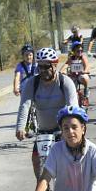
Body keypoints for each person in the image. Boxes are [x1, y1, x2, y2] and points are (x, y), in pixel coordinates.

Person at [16, 47, 79, 178]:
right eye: (40, 67)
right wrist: (20, 127)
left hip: (63, 129)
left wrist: (69, 130)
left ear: (55, 65)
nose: (43, 71)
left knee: (72, 157)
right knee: (36, 160)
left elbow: (72, 109)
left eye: (46, 67)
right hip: (43, 132)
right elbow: (24, 105)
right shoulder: (32, 83)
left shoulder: (65, 82)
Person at [60, 41, 91, 107]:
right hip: (73, 76)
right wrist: (61, 71)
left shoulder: (83, 57)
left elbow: (87, 66)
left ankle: (86, 94)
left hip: (81, 75)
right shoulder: (71, 58)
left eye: (81, 49)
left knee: (84, 78)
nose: (80, 50)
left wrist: (85, 71)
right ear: (74, 50)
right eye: (78, 49)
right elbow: (66, 65)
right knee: (70, 89)